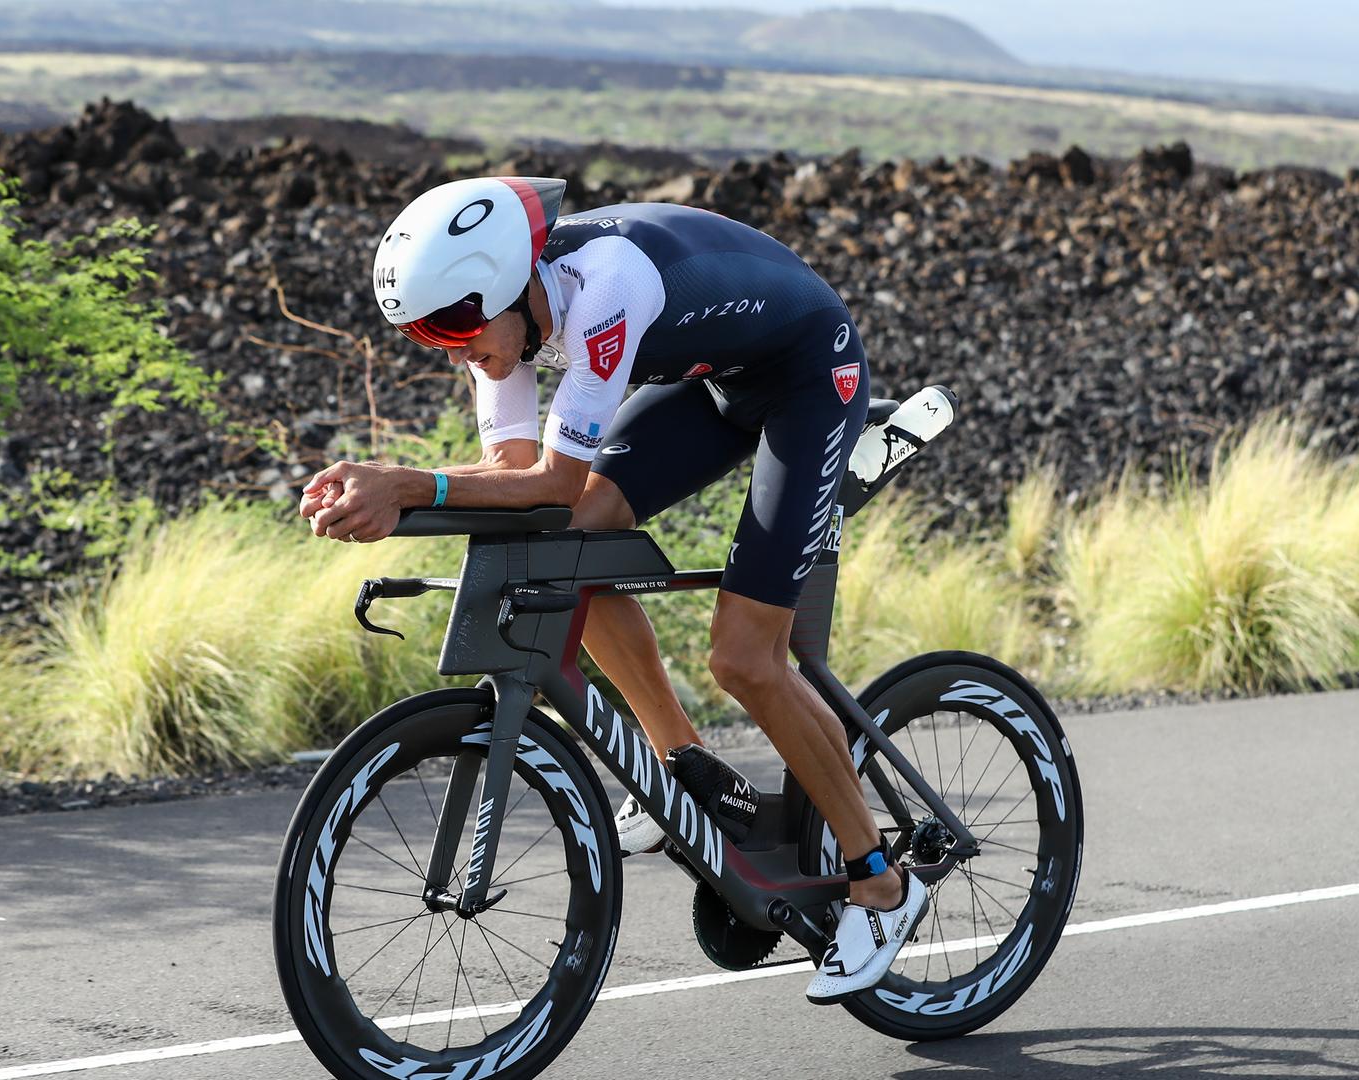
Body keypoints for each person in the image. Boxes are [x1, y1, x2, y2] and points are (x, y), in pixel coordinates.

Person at [299, 176, 924, 1004]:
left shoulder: (605, 286)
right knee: (568, 545)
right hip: (716, 378)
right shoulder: (506, 325)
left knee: (745, 659)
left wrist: (405, 481)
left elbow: (551, 481)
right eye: (422, 333)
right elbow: (511, 476)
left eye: (454, 323)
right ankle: (682, 763)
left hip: (811, 374)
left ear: (511, 284)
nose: (450, 350)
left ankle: (881, 884)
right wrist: (389, 487)